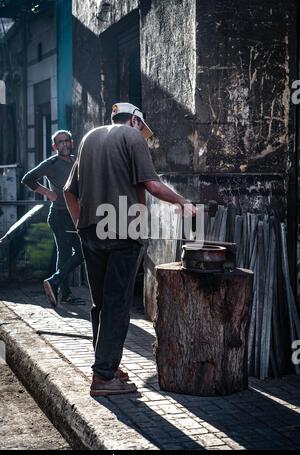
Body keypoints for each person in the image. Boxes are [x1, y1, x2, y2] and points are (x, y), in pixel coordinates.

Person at [64, 103, 197, 396]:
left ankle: (106, 366)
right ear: (135, 120)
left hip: (90, 231)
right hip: (123, 232)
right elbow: (152, 184)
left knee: (100, 303)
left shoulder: (88, 139)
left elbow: (67, 191)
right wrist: (183, 203)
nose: (143, 136)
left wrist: (79, 226)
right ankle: (103, 377)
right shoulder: (132, 137)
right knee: (117, 303)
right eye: (143, 128)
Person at [22, 130, 85, 307]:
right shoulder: (51, 163)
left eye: (67, 141)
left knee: (73, 253)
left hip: (74, 215)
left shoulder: (75, 161)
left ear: (71, 142)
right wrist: (48, 193)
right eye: (60, 142)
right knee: (73, 253)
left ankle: (59, 288)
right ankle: (58, 285)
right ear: (54, 146)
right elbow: (28, 179)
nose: (64, 144)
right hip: (59, 215)